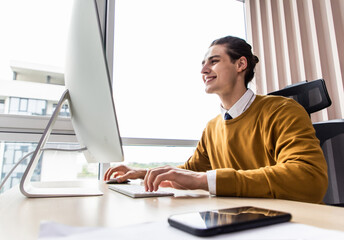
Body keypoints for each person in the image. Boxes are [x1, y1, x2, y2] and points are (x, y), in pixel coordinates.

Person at [104, 36, 328, 204]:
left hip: (289, 223)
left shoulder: (283, 110)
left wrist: (205, 181)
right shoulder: (212, 127)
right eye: (203, 63)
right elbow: (190, 171)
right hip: (238, 220)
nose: (203, 69)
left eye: (213, 61)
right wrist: (141, 172)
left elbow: (309, 178)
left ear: (240, 65)